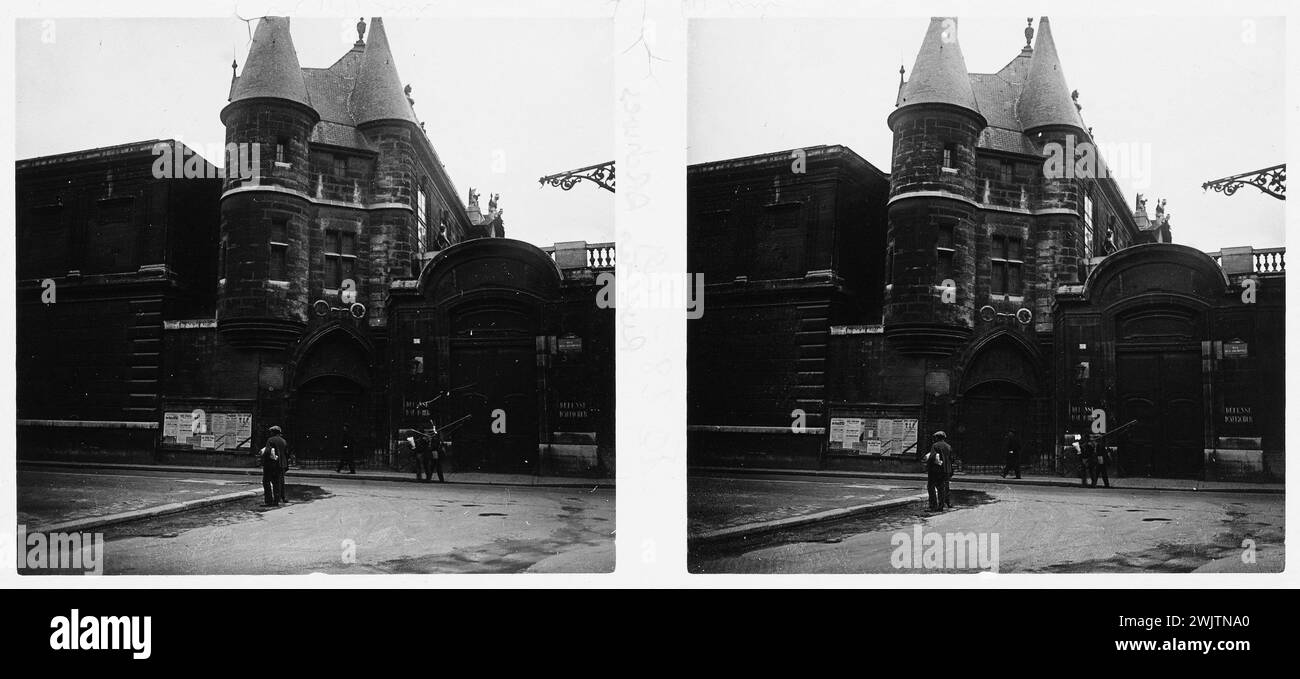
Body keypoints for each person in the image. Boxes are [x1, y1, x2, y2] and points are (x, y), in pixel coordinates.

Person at [924, 431, 954, 511]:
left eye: (935, 437)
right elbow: (951, 459)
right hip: (946, 470)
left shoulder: (935, 445)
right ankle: (941, 506)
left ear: (937, 437)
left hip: (936, 470)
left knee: (931, 487)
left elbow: (932, 457)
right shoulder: (948, 446)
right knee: (942, 488)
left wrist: (928, 465)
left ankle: (933, 506)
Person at [267, 425, 289, 504]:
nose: (270, 433)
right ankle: (283, 497)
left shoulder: (270, 440)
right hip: (283, 464)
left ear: (273, 432)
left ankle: (276, 500)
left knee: (275, 482)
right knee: (281, 481)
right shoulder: (284, 441)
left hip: (274, 464)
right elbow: (286, 453)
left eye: (271, 432)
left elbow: (269, 452)